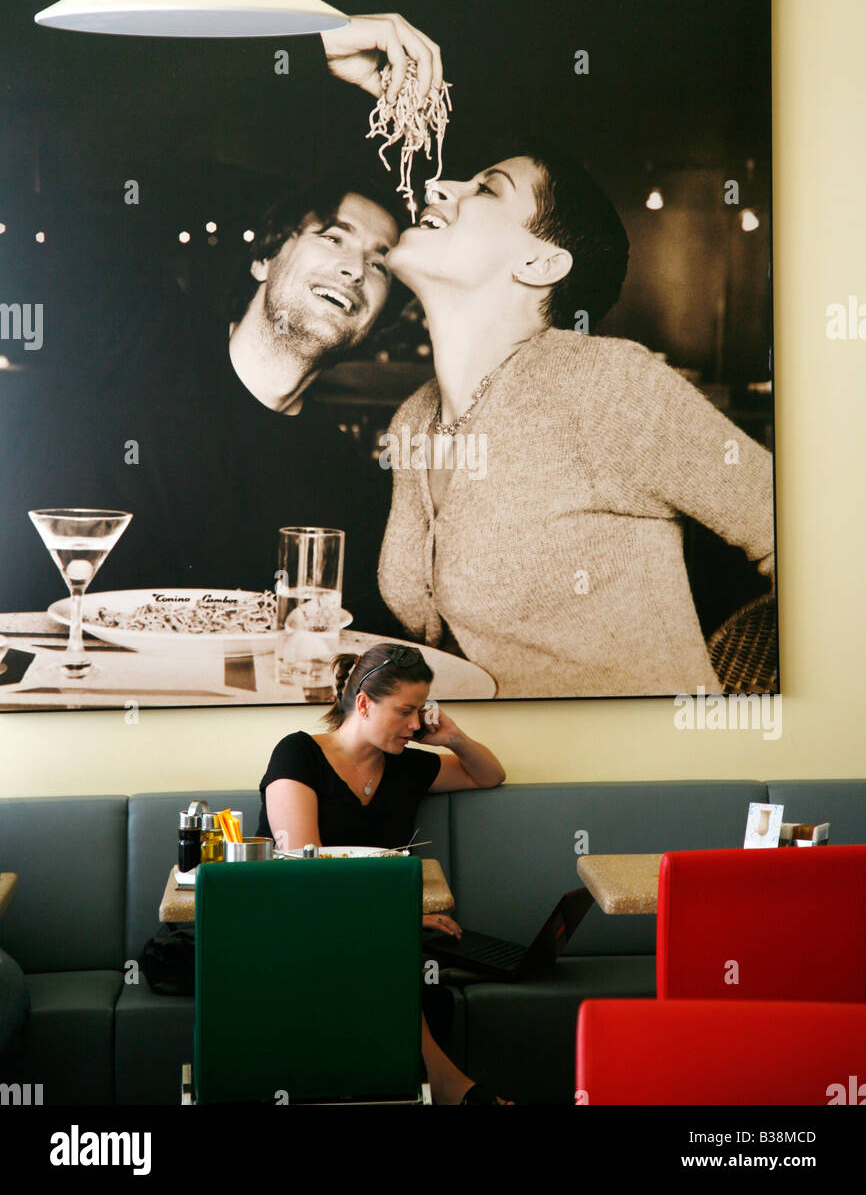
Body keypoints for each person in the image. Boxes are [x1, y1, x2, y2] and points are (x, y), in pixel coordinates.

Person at [375, 129, 775, 696]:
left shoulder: (604, 383)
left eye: (488, 189)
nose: (438, 185)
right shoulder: (413, 420)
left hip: (636, 772)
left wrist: (763, 690)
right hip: (484, 769)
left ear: (541, 262)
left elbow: (799, 532)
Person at [0, 172, 405, 629]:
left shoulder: (345, 482)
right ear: (265, 259)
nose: (356, 269)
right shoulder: (139, 325)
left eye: (380, 266)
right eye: (333, 238)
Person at [257, 642, 510, 1104]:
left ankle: (436, 1089)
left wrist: (453, 737)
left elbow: (488, 775)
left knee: (413, 976)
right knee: (386, 958)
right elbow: (305, 874)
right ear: (363, 703)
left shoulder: (408, 766)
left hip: (357, 928)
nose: (416, 725)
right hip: (290, 923)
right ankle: (452, 1088)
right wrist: (396, 920)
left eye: (422, 711)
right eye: (406, 712)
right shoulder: (298, 756)